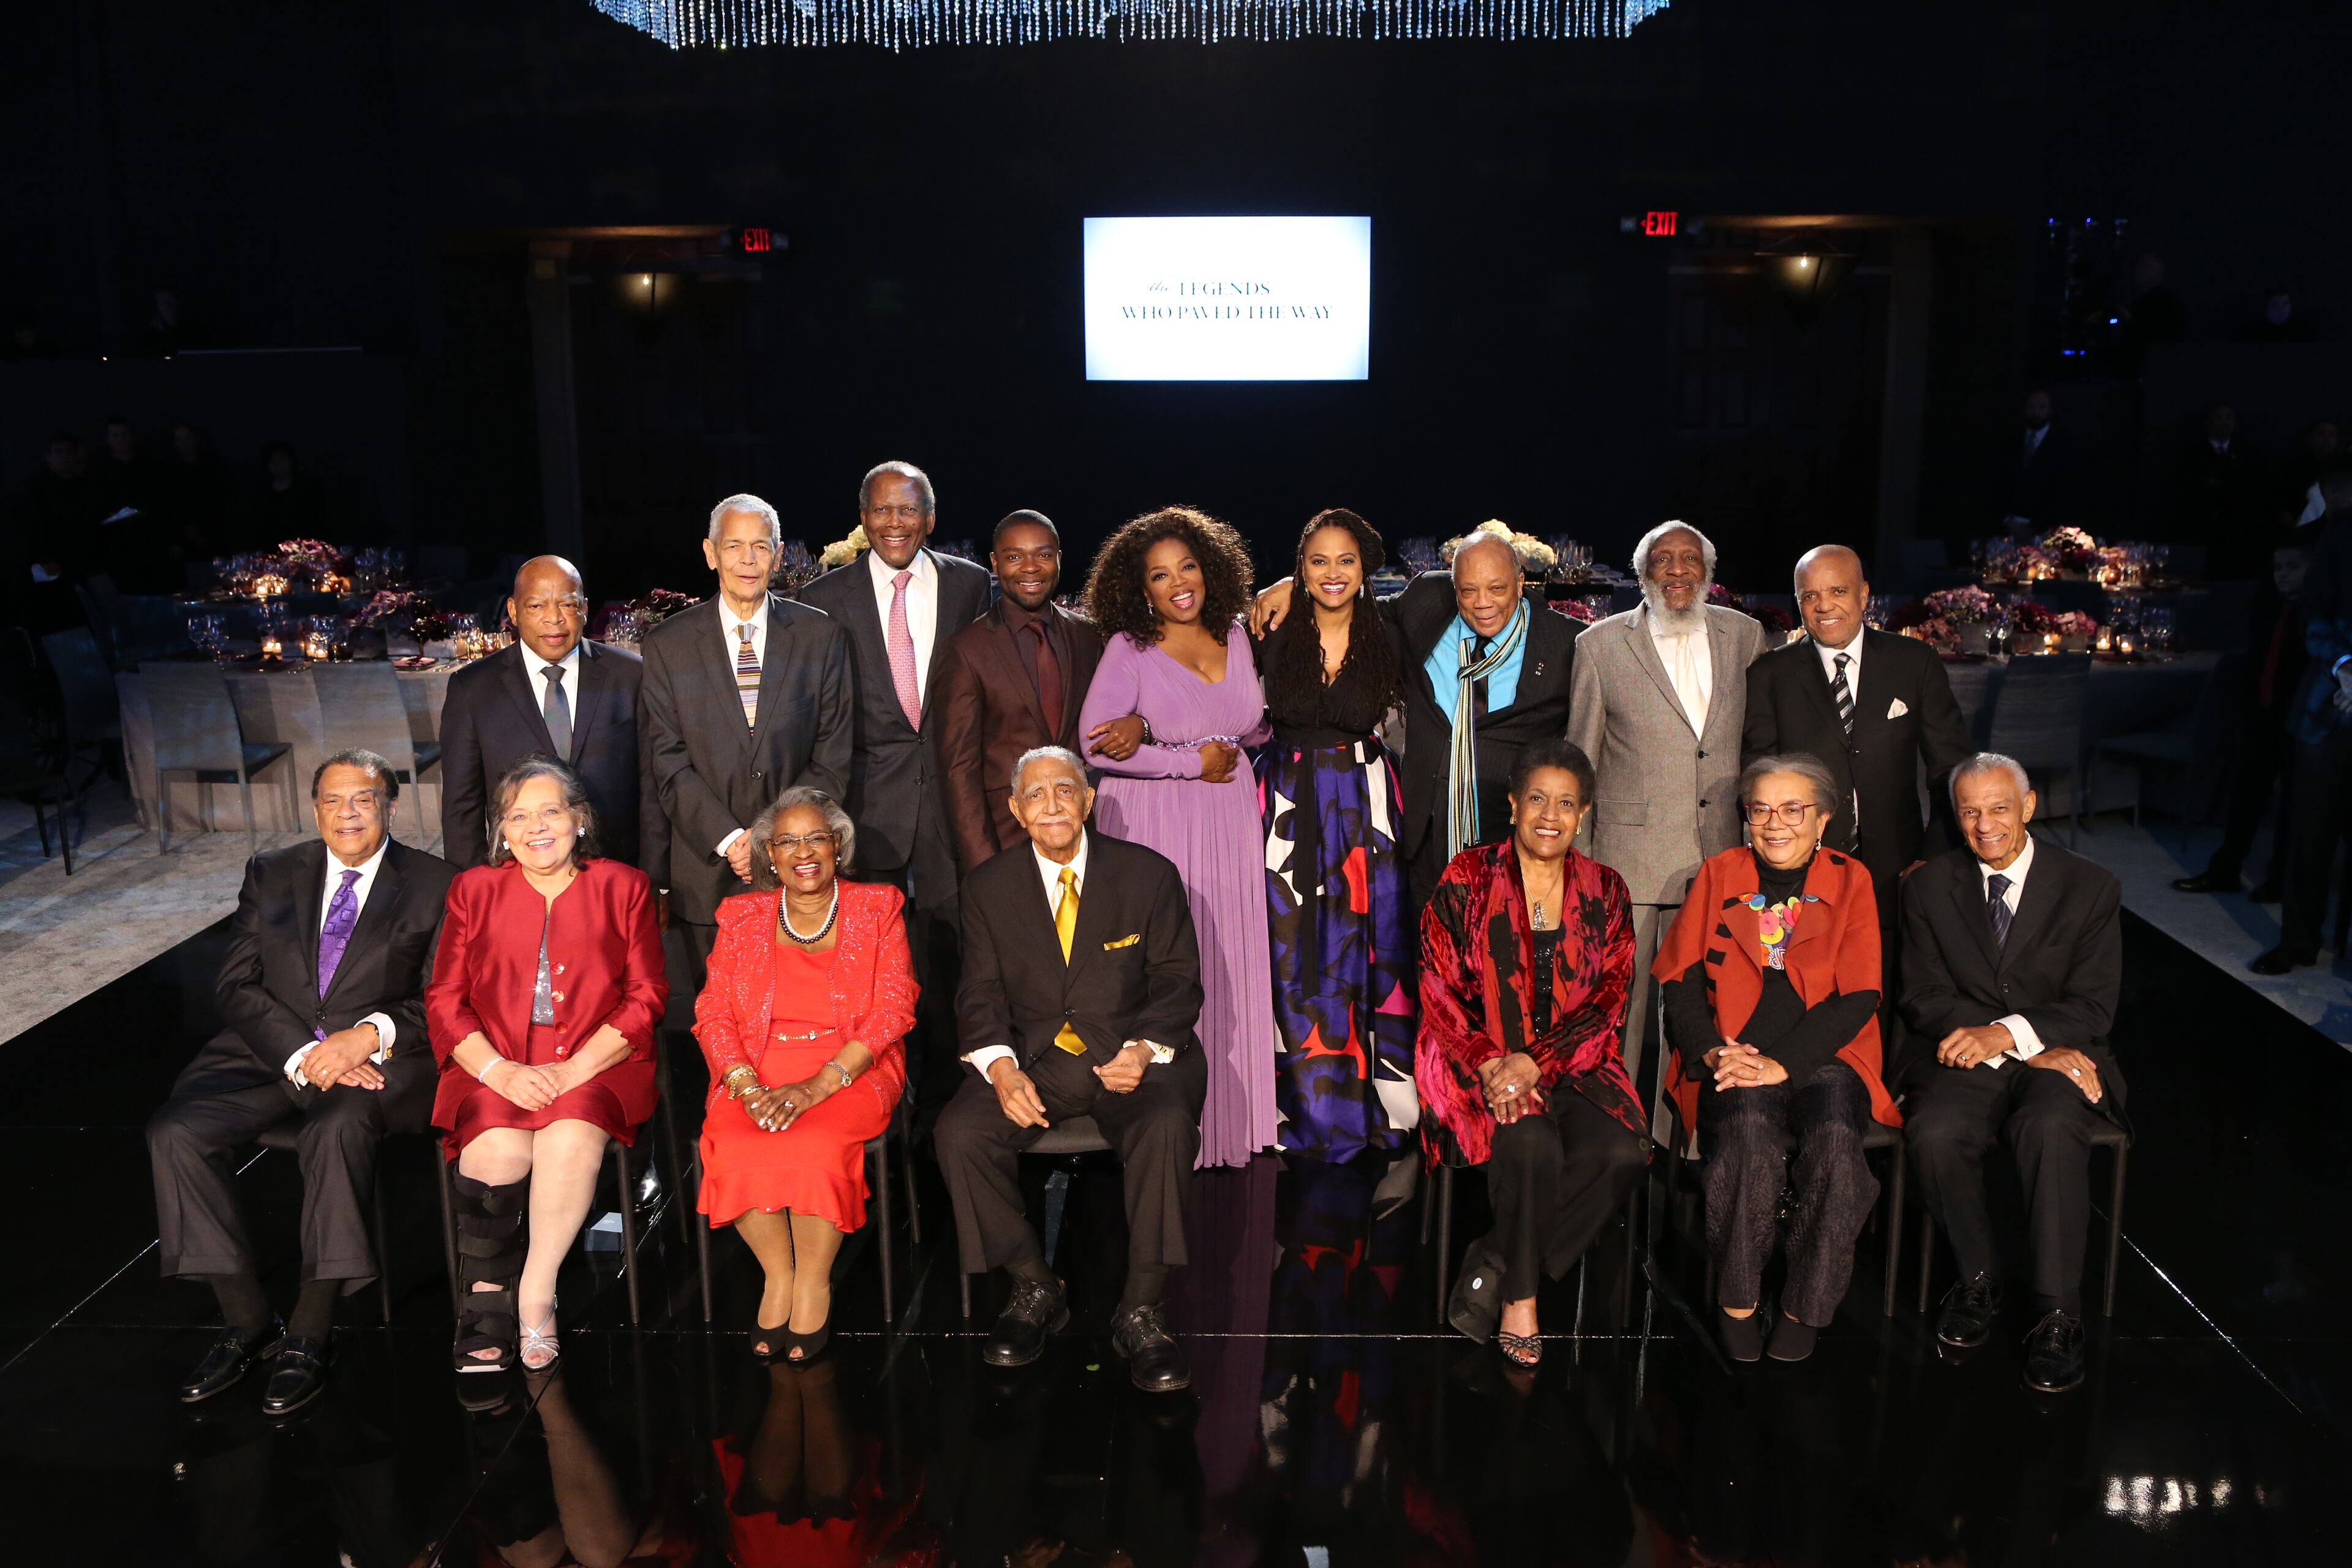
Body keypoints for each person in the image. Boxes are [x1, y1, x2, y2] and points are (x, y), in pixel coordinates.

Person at [146, 749, 457, 1414]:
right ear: (314, 810)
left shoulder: (438, 883)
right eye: (333, 801)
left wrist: (364, 1036)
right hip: (271, 1050)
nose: (348, 813)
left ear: (390, 806)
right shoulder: (274, 871)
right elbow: (235, 983)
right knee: (177, 1131)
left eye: (363, 799)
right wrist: (300, 1051)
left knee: (336, 1128)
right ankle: (247, 1320)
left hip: (381, 1057)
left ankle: (311, 1332)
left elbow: (443, 998)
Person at [935, 746, 1208, 1392]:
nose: (1052, 803)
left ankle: (1142, 1307)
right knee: (959, 1133)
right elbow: (978, 995)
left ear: (1088, 800)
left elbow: (1178, 980)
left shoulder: (1149, 875)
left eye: (1066, 789)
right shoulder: (987, 888)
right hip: (1039, 1059)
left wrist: (1143, 1049)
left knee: (1167, 1123)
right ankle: (1034, 1284)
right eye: (1036, 794)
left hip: (1132, 1055)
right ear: (1015, 809)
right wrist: (1001, 1071)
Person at [1655, 755, 1901, 1363]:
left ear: (1822, 820)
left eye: (1794, 810)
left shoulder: (1853, 879)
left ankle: (1803, 1304)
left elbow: (1861, 995)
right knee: (1745, 1141)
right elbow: (1679, 980)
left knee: (1841, 1154)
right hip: (1735, 1055)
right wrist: (1713, 1049)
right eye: (1761, 808)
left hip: (1826, 1055)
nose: (1775, 823)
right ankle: (1737, 1298)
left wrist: (1783, 1062)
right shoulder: (1720, 873)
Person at [426, 758, 668, 1373]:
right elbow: (445, 1000)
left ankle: (535, 1292)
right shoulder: (473, 890)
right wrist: (497, 1071)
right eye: (520, 816)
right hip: (495, 1057)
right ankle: (483, 1299)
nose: (538, 827)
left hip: (600, 1059)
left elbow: (647, 996)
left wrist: (579, 1068)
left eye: (552, 811)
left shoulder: (625, 886)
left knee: (566, 1140)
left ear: (579, 820)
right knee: (498, 1149)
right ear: (502, 831)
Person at [1418, 739, 1648, 1368]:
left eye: (1567, 803)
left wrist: (1537, 1062)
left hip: (1577, 1065)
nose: (1551, 814)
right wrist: (1495, 1062)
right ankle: (1520, 1298)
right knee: (1530, 1141)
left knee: (1624, 1150)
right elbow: (1437, 986)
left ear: (1584, 813)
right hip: (1480, 1064)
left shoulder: (1607, 889)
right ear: (1515, 803)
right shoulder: (1468, 875)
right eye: (1539, 799)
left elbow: (1609, 1001)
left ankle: (1492, 1258)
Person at [1900, 753, 2124, 1395]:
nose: (1984, 823)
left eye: (1999, 807)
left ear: (2028, 806)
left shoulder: (2091, 885)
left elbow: (2093, 1005)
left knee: (2051, 1124)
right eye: (1969, 810)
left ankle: (2058, 1313)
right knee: (1935, 1129)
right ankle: (1978, 1277)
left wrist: (2010, 1034)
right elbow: (1921, 994)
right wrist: (2016, 1047)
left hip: (2063, 1052)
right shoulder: (1927, 885)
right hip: (1968, 1054)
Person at [1077, 505, 1275, 1169]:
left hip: (1227, 821)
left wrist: (1225, 747)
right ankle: (1166, 1133)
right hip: (1155, 821)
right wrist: (1184, 758)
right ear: (1141, 590)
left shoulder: (1238, 636)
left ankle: (1230, 1126)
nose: (1179, 583)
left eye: (1188, 566)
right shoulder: (1128, 650)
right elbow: (1094, 745)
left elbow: (1248, 727)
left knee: (1225, 960)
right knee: (1164, 965)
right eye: (1160, 576)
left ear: (1210, 568)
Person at [796, 461, 991, 1113]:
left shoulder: (972, 586)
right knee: (866, 967)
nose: (895, 523)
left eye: (908, 510)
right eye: (882, 510)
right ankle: (872, 1101)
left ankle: (943, 1108)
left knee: (950, 961)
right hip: (866, 807)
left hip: (949, 804)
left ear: (930, 518)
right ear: (863, 518)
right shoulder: (826, 598)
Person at [693, 786, 914, 1362]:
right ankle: (778, 1275)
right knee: (735, 1142)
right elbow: (713, 1010)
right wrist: (743, 1085)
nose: (803, 851)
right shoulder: (741, 915)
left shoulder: (878, 906)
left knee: (816, 1142)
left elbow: (894, 1007)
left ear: (838, 844)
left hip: (849, 1068)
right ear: (769, 854)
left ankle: (814, 1279)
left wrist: (820, 1084)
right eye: (787, 841)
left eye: (815, 836)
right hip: (757, 1067)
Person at [1250, 522, 1580, 907]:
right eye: (1468, 590)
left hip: (1507, 845)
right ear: (1454, 587)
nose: (1482, 603)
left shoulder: (1564, 644)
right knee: (1425, 958)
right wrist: (1293, 585)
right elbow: (1352, 603)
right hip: (1422, 841)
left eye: (1497, 589)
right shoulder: (1427, 603)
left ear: (1521, 582)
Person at [1567, 520, 1766, 1100]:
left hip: (1723, 858)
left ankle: (1686, 1139)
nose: (1676, 571)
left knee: (1708, 1014)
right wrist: (1578, 869)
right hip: (1631, 863)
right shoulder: (1599, 644)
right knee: (1621, 1014)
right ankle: (1615, 1130)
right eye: (1662, 561)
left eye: (1689, 560)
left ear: (1708, 573)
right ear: (1642, 574)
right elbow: (1581, 761)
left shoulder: (1745, 636)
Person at [1252, 508, 1419, 1163]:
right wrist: (1275, 590)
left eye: (1345, 560)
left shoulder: (1392, 630)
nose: (1331, 573)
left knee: (1367, 950)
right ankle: (1295, 1103)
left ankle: (1376, 1103)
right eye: (1316, 561)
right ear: (1300, 565)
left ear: (1366, 567)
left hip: (1364, 804)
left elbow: (1439, 587)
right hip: (1289, 805)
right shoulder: (1269, 627)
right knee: (1289, 950)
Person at [639, 492, 853, 990]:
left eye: (760, 547)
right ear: (711, 553)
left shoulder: (821, 638)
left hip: (800, 873)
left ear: (778, 555)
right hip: (707, 872)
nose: (748, 560)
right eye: (734, 546)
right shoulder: (668, 646)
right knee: (717, 1028)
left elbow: (833, 755)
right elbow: (668, 762)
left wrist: (769, 839)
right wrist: (733, 840)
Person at [1741, 544, 1971, 961]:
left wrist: (1932, 858)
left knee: (1886, 995)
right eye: (1809, 596)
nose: (1823, 605)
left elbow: (1952, 772)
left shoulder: (1914, 663)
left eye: (1838, 591)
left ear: (1864, 595)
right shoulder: (1769, 674)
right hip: (1801, 874)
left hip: (1898, 871)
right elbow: (1758, 776)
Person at [439, 555, 652, 874]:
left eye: (567, 605)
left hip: (618, 871)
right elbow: (461, 806)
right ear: (513, 611)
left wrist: (657, 877)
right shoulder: (472, 689)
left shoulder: (631, 675)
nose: (554, 619)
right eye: (537, 606)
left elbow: (654, 789)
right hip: (517, 875)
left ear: (584, 608)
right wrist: (470, 888)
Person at [931, 509, 1116, 875]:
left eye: (1043, 555)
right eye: (1015, 557)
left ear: (1059, 559)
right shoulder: (966, 650)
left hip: (1083, 837)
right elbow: (959, 771)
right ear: (995, 563)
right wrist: (984, 867)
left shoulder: (1088, 637)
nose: (1030, 567)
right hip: (1004, 840)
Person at [2175, 533, 2314, 900]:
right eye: (2279, 568)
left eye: (2294, 568)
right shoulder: (2270, 607)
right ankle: (2226, 869)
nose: (2283, 576)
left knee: (2292, 804)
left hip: (2298, 717)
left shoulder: (2316, 614)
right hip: (2263, 713)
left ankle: (2280, 879)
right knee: (2247, 794)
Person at [1999, 390, 2071, 537]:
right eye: (2031, 407)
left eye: (2041, 407)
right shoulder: (2011, 442)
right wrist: (2006, 520)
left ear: (2050, 411)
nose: (2035, 412)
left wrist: (2037, 526)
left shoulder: (2062, 445)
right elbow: (2001, 482)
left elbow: (2063, 489)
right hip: (2009, 527)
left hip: (2044, 529)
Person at [248, 439, 328, 548]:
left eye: (282, 459)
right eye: (272, 461)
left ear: (291, 460)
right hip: (269, 553)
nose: (278, 464)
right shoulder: (260, 494)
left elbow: (317, 524)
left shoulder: (308, 489)